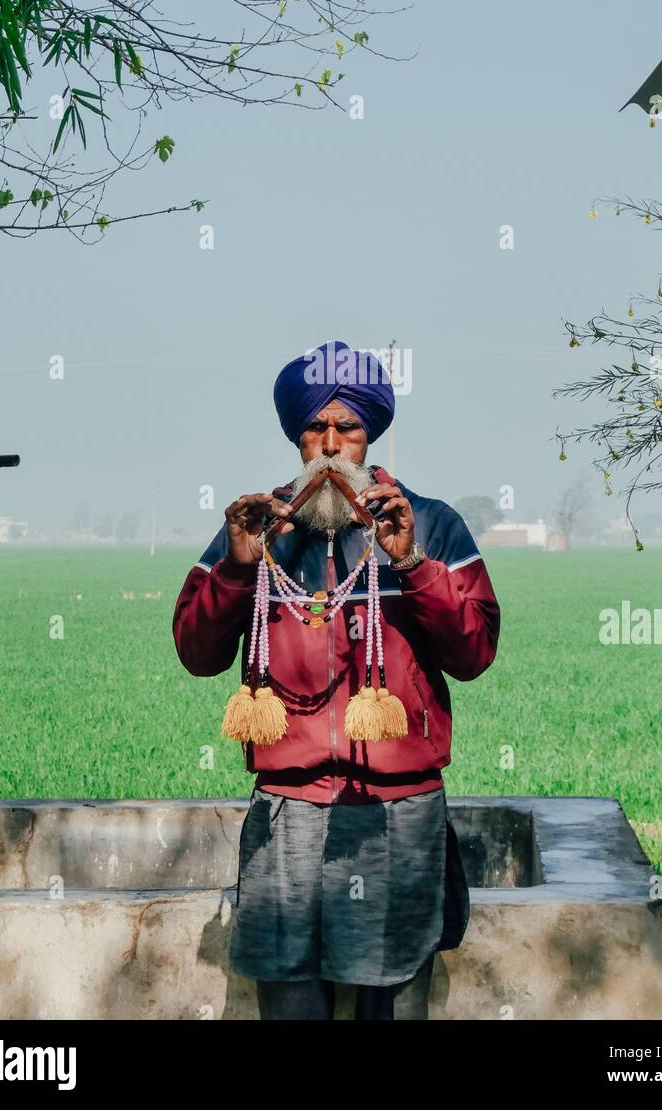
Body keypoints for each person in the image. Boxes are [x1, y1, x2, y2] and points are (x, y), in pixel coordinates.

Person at [172, 339, 500, 1019]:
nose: (329, 444)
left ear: (369, 433)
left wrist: (412, 565)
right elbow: (197, 652)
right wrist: (236, 567)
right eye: (314, 428)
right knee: (288, 994)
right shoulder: (257, 529)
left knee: (391, 995)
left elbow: (473, 653)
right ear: (296, 435)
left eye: (346, 428)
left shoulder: (428, 523)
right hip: (289, 803)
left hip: (395, 808)